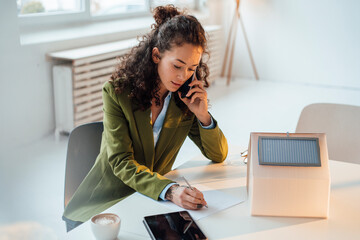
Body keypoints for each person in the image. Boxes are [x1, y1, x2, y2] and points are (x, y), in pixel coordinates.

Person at [62, 5, 228, 231]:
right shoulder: (117, 93)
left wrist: (203, 114)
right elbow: (121, 162)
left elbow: (218, 154)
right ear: (156, 55)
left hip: (149, 202)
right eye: (177, 65)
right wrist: (170, 190)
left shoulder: (183, 100)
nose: (183, 76)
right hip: (105, 207)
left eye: (191, 68)